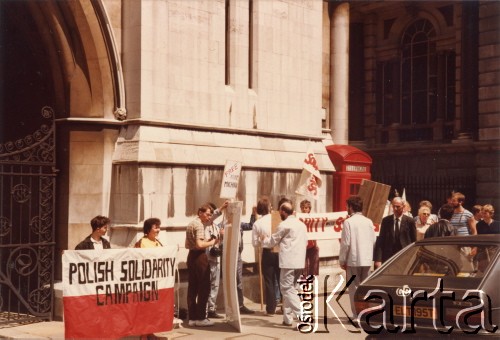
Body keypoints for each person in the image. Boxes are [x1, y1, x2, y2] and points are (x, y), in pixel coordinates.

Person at [260, 201, 307, 327]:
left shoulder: (284, 225)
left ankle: (303, 317)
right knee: (291, 288)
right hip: (299, 262)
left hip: (288, 262)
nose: (280, 214)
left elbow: (272, 242)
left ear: (284, 212)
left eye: (281, 212)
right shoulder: (302, 225)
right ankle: (287, 318)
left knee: (286, 289)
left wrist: (263, 240)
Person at [338, 196, 376, 318]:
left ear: (351, 207)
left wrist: (342, 259)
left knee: (354, 289)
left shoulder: (348, 222)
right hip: (366, 259)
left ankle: (357, 315)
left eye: (347, 206)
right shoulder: (368, 221)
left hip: (353, 259)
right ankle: (366, 312)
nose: (346, 209)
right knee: (364, 287)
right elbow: (373, 240)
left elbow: (346, 243)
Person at [185, 204, 219, 327]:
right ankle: (201, 318)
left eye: (211, 214)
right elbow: (199, 245)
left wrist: (207, 240)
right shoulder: (199, 225)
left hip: (191, 256)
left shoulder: (191, 223)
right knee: (204, 287)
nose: (209, 217)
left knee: (192, 287)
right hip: (200, 257)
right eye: (208, 214)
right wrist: (213, 242)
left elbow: (187, 244)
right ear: (200, 212)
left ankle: (192, 317)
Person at [252, 196, 280, 316]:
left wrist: (261, 240)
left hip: (267, 252)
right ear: (269, 207)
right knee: (281, 279)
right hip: (279, 251)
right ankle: (287, 308)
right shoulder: (277, 219)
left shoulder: (257, 223)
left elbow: (254, 243)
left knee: (269, 281)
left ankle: (271, 309)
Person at [373, 197, 416, 269]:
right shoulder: (386, 221)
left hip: (404, 256)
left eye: (398, 207)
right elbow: (381, 240)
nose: (395, 209)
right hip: (388, 257)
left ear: (403, 207)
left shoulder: (410, 221)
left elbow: (413, 241)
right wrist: (378, 259)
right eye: (393, 206)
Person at [205, 201, 227, 319]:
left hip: (216, 258)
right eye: (209, 214)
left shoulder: (215, 226)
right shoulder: (204, 224)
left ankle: (211, 308)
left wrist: (222, 235)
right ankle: (205, 309)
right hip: (207, 258)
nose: (210, 216)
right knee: (207, 285)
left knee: (215, 285)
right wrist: (222, 207)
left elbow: (219, 242)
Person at [301, 199, 319, 277]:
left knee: (313, 263)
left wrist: (316, 243)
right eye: (303, 208)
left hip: (311, 243)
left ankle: (312, 278)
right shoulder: (299, 218)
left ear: (309, 209)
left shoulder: (312, 218)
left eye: (306, 208)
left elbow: (314, 231)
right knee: (303, 265)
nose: (304, 209)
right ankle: (303, 279)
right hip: (302, 245)